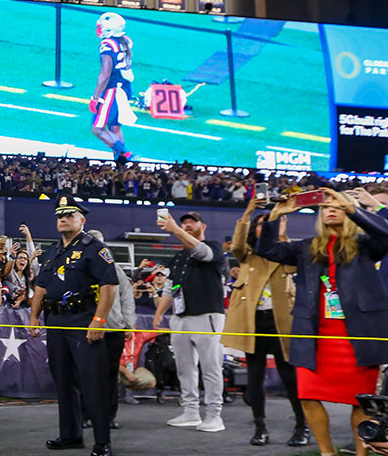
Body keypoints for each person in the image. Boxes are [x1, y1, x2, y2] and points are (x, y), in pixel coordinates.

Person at [259, 188, 388, 456]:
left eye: (337, 206)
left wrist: (355, 208)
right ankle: (327, 452)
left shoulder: (366, 245)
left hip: (356, 338)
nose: (330, 209)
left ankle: (361, 453)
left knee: (360, 402)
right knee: (307, 396)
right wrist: (276, 216)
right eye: (325, 206)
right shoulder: (306, 247)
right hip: (314, 338)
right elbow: (267, 249)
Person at [29, 194, 119, 456]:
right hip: (55, 320)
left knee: (92, 381)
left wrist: (99, 319)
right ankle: (70, 435)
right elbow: (41, 287)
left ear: (82, 218)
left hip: (83, 319)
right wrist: (34, 317)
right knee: (63, 380)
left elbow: (109, 285)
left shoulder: (94, 248)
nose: (63, 218)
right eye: (60, 215)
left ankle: (102, 441)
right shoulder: (52, 251)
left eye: (69, 214)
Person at [221, 196, 307, 447]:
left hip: (282, 322)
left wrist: (281, 232)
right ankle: (260, 427)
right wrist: (248, 212)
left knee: (289, 375)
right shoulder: (247, 254)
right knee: (254, 376)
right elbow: (236, 243)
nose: (264, 226)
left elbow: (295, 264)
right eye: (260, 223)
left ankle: (302, 426)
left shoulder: (287, 251)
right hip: (254, 322)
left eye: (268, 223)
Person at [152, 210, 228, 432]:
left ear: (203, 226)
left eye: (192, 222)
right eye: (184, 223)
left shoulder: (214, 247)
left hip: (207, 315)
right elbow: (171, 287)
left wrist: (175, 229)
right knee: (184, 368)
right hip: (180, 317)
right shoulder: (177, 258)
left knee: (210, 367)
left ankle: (215, 415)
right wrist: (160, 313)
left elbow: (202, 253)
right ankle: (191, 411)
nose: (187, 225)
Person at [87, 229, 133, 430]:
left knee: (110, 375)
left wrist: (129, 323)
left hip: (113, 329)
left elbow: (127, 296)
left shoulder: (116, 269)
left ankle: (108, 416)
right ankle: (84, 415)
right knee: (85, 373)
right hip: (86, 328)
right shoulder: (81, 268)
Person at [89, 12, 135, 164]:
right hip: (125, 87)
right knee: (114, 126)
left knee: (97, 128)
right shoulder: (125, 41)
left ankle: (124, 153)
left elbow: (105, 73)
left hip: (112, 90)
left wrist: (95, 97)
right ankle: (120, 163)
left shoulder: (107, 45)